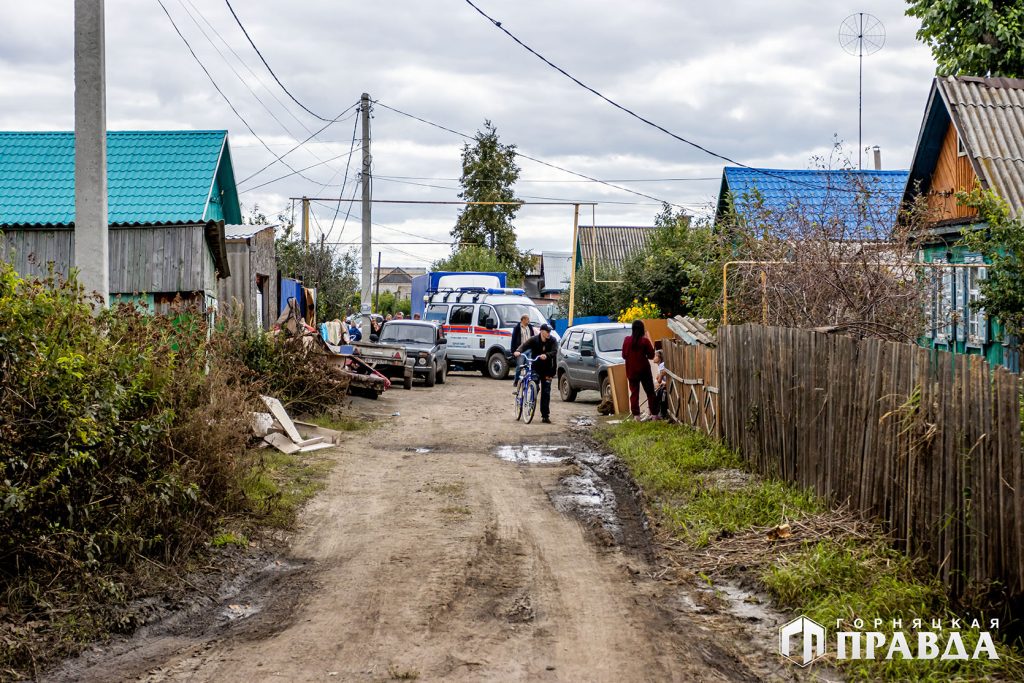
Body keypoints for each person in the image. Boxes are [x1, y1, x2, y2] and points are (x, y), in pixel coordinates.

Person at [514, 324, 558, 424]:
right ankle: (529, 402)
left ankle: (545, 416)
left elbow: (555, 351)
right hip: (536, 367)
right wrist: (518, 351)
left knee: (546, 392)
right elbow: (524, 345)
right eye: (547, 331)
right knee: (534, 384)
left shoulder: (553, 340)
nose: (549, 333)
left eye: (549, 332)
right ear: (542, 331)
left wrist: (546, 355)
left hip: (548, 369)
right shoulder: (534, 339)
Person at [621, 320, 660, 420]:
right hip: (644, 370)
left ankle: (636, 416)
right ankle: (654, 415)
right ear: (642, 329)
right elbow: (651, 356)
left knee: (634, 393)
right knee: (650, 392)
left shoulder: (627, 340)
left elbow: (624, 356)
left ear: (633, 329)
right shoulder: (644, 341)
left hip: (631, 371)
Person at [510, 314, 536, 387]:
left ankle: (527, 381)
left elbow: (533, 338)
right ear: (523, 320)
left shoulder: (530, 327)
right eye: (527, 319)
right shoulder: (517, 328)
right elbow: (513, 340)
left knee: (529, 365)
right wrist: (513, 351)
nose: (529, 321)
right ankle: (516, 380)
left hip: (529, 349)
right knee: (519, 366)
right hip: (520, 351)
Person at [653, 349, 669, 419]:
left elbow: (660, 379)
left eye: (655, 356)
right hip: (664, 384)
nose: (654, 358)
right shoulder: (660, 366)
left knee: (660, 395)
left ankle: (662, 413)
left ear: (660, 358)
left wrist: (659, 381)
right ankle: (658, 413)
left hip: (666, 385)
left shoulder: (662, 365)